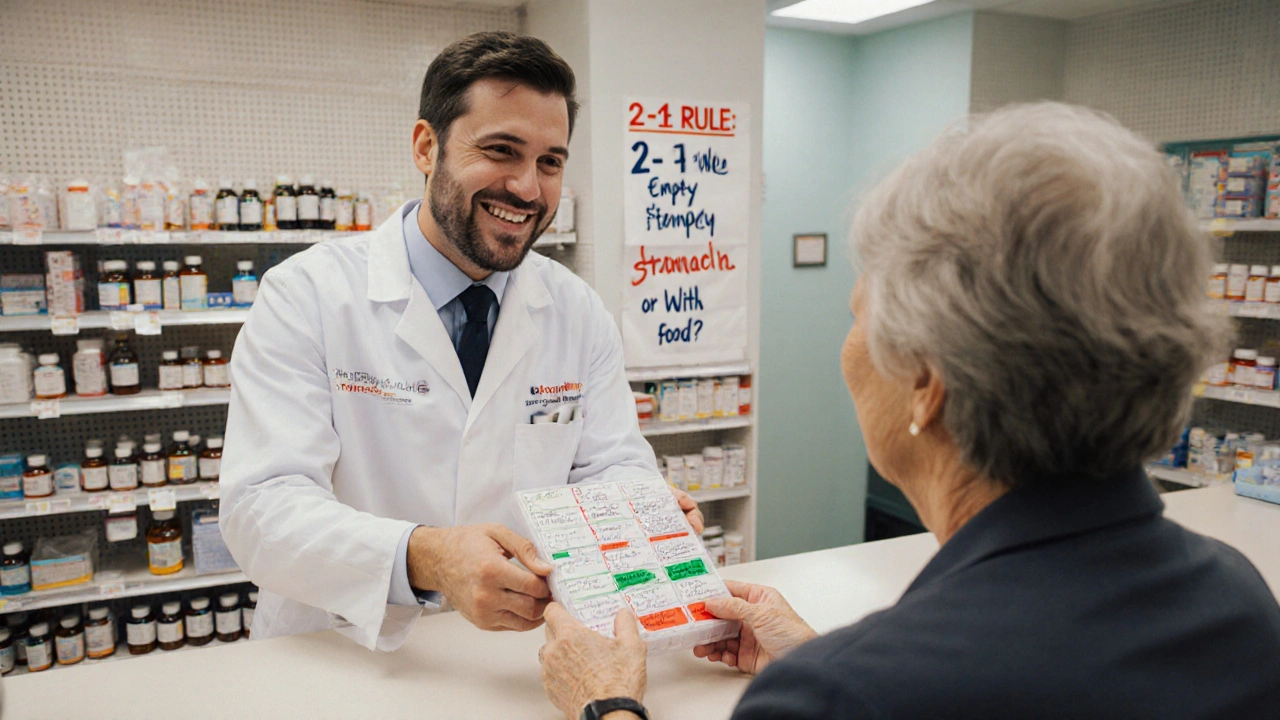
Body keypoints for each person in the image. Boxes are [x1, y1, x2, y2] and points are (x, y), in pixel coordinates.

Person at [537, 102, 1280, 719]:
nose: (849, 347)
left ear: (927, 381)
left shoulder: (841, 696)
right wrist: (819, 654)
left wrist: (608, 706)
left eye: (859, 313)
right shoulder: (1237, 599)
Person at [219, 31, 701, 651]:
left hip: (518, 655)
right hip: (344, 652)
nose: (528, 189)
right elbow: (261, 509)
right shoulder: (306, 295)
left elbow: (610, 463)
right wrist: (423, 556)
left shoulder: (576, 310)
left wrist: (640, 516)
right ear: (427, 146)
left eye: (550, 161)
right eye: (502, 150)